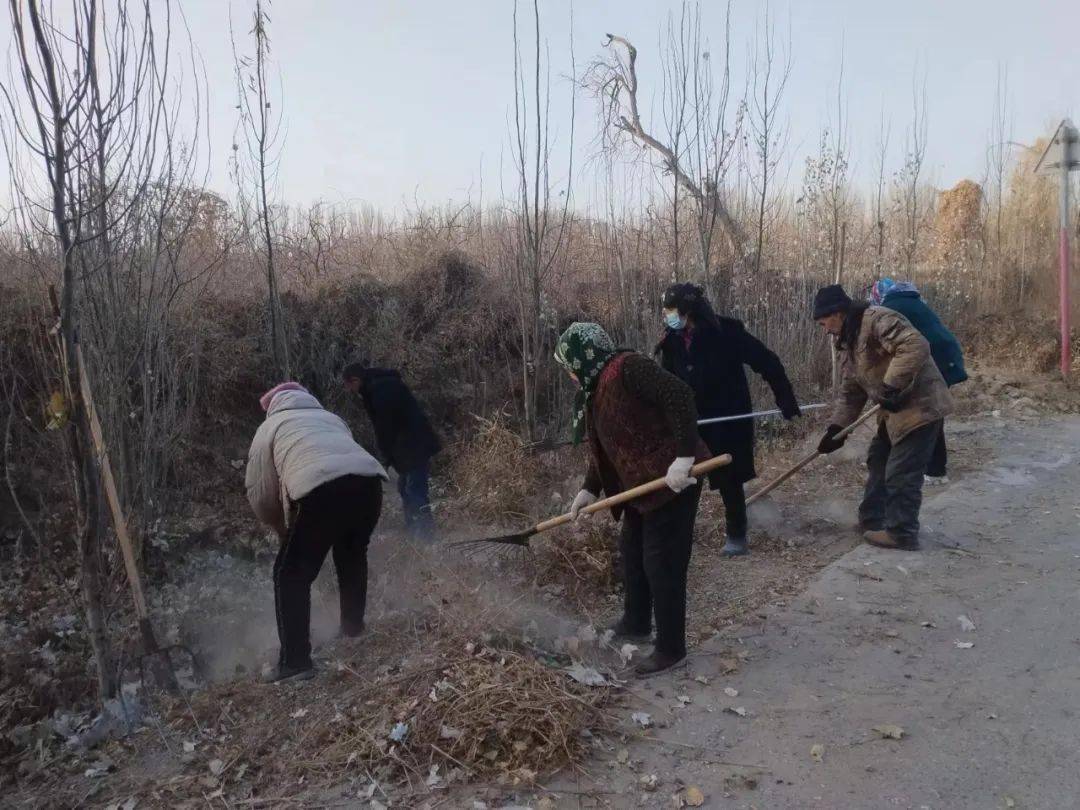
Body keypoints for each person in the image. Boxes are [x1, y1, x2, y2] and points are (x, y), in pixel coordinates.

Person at [557, 322, 709, 676]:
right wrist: (588, 489)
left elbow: (680, 395)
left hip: (674, 481)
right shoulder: (595, 389)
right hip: (642, 487)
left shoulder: (628, 368)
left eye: (568, 366)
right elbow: (606, 449)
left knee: (662, 562)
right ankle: (637, 621)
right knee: (632, 553)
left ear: (584, 357)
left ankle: (671, 649)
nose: (568, 375)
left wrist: (684, 457)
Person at [245, 382, 388, 683]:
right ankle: (352, 628)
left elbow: (261, 493)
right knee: (351, 556)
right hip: (369, 485)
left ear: (272, 405)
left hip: (320, 489)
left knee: (290, 574)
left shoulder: (271, 426)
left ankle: (295, 661)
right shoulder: (332, 419)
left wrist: (282, 529)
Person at [656, 283, 801, 557]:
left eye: (671, 310)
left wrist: (784, 397)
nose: (667, 316)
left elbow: (767, 361)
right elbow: (666, 384)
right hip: (691, 422)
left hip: (727, 418)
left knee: (729, 480)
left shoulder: (727, 333)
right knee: (684, 479)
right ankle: (678, 538)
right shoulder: (671, 342)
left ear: (689, 310)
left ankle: (737, 534)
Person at [812, 285, 954, 551]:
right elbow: (851, 392)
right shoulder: (849, 341)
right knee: (878, 459)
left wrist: (891, 385)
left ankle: (902, 532)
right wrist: (836, 429)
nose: (825, 330)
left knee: (901, 471)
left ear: (837, 313)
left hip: (920, 405)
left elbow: (915, 345)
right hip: (894, 410)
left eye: (824, 323)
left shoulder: (877, 319)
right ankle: (871, 521)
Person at [870, 279, 967, 483]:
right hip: (944, 356)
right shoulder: (908, 301)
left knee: (930, 412)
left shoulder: (891, 308)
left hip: (937, 359)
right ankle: (930, 466)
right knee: (931, 412)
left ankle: (935, 470)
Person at [342, 363, 441, 542]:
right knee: (405, 489)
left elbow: (386, 427)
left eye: (350, 386)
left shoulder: (380, 390)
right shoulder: (376, 386)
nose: (350, 390)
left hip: (414, 445)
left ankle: (426, 539)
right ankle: (414, 535)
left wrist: (385, 458)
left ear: (355, 380)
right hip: (407, 446)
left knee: (414, 490)